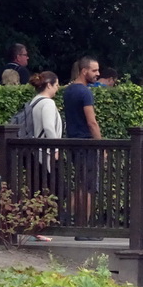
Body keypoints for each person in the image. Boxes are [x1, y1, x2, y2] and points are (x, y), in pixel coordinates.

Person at [63, 57, 103, 241]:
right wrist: (101, 144)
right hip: (86, 143)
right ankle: (84, 229)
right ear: (84, 71)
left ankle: (67, 219)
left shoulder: (68, 90)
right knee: (88, 187)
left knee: (79, 184)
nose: (98, 74)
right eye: (94, 70)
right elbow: (91, 121)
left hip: (73, 142)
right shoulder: (85, 93)